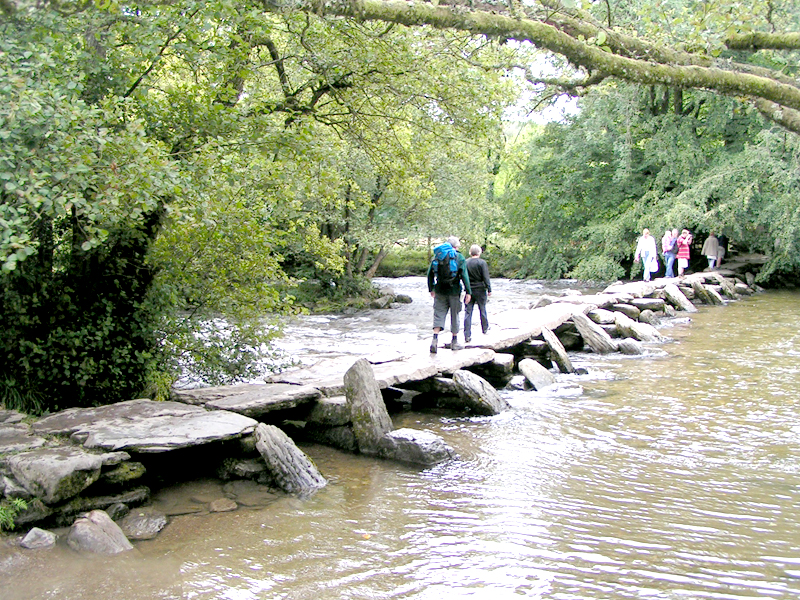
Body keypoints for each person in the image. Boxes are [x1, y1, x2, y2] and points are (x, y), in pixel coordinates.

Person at [427, 236, 471, 353]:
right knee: (455, 315)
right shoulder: (459, 257)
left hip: (440, 290)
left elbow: (429, 274)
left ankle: (434, 340)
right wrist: (468, 292)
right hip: (455, 291)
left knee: (438, 314)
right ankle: (454, 341)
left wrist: (432, 288)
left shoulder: (437, 256)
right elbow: (464, 276)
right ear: (455, 246)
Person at [463, 244, 492, 343]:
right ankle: (485, 329)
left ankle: (467, 335)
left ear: (470, 252)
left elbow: (462, 276)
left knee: (468, 312)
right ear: (479, 252)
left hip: (469, 290)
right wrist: (489, 289)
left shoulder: (465, 262)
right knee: (482, 309)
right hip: (480, 289)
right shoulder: (482, 263)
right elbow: (485, 277)